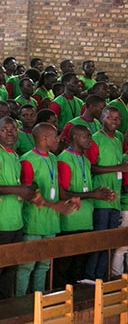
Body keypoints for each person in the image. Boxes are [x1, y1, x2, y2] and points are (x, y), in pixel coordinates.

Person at [15, 123, 80, 297]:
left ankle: (39, 301)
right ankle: (20, 304)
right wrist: (55, 206)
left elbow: (55, 188)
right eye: (55, 137)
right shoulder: (27, 160)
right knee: (27, 265)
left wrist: (69, 199)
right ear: (44, 138)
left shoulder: (53, 158)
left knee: (44, 264)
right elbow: (28, 194)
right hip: (33, 221)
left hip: (50, 221)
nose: (58, 140)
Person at [0, 117, 37, 300]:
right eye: (5, 129)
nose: (10, 133)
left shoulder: (14, 155)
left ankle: (5, 308)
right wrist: (16, 189)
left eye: (13, 129)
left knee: (10, 269)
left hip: (16, 222)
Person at [54, 124, 114, 286]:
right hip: (69, 221)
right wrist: (92, 194)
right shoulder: (64, 159)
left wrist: (100, 194)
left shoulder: (85, 160)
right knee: (64, 267)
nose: (90, 140)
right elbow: (63, 193)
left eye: (90, 136)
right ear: (75, 137)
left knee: (80, 266)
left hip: (85, 219)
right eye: (86, 136)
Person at [85, 104, 126, 280]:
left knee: (110, 243)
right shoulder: (95, 139)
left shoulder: (117, 138)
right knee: (99, 241)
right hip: (101, 199)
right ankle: (89, 276)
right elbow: (91, 168)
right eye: (110, 117)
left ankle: (101, 277)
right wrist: (118, 168)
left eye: (117, 118)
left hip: (115, 199)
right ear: (101, 118)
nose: (114, 121)